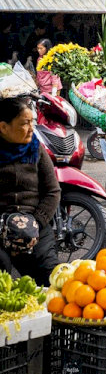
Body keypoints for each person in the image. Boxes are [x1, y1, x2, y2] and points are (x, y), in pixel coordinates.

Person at [0, 95, 61, 286]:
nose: (31, 128)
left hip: (36, 224)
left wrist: (35, 224)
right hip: (0, 225)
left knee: (51, 278)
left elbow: (53, 191)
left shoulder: (36, 149)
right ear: (3, 127)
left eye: (32, 122)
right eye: (24, 123)